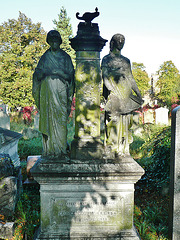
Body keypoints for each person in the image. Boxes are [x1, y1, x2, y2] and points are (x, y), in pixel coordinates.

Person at [32, 30, 75, 158]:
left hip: (61, 91)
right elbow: (38, 75)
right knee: (48, 122)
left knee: (61, 121)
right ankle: (49, 151)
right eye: (52, 40)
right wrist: (43, 73)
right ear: (49, 42)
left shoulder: (65, 57)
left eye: (56, 40)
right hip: (47, 94)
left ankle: (61, 150)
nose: (54, 43)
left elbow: (70, 76)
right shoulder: (45, 57)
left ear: (60, 42)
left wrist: (57, 72)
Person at [101, 34, 143, 156]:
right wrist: (112, 91)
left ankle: (122, 148)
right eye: (118, 40)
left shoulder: (126, 61)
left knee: (125, 122)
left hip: (126, 93)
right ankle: (112, 147)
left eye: (123, 41)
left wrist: (138, 94)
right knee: (113, 121)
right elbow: (105, 77)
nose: (121, 42)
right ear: (113, 42)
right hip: (114, 94)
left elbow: (130, 78)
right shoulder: (106, 59)